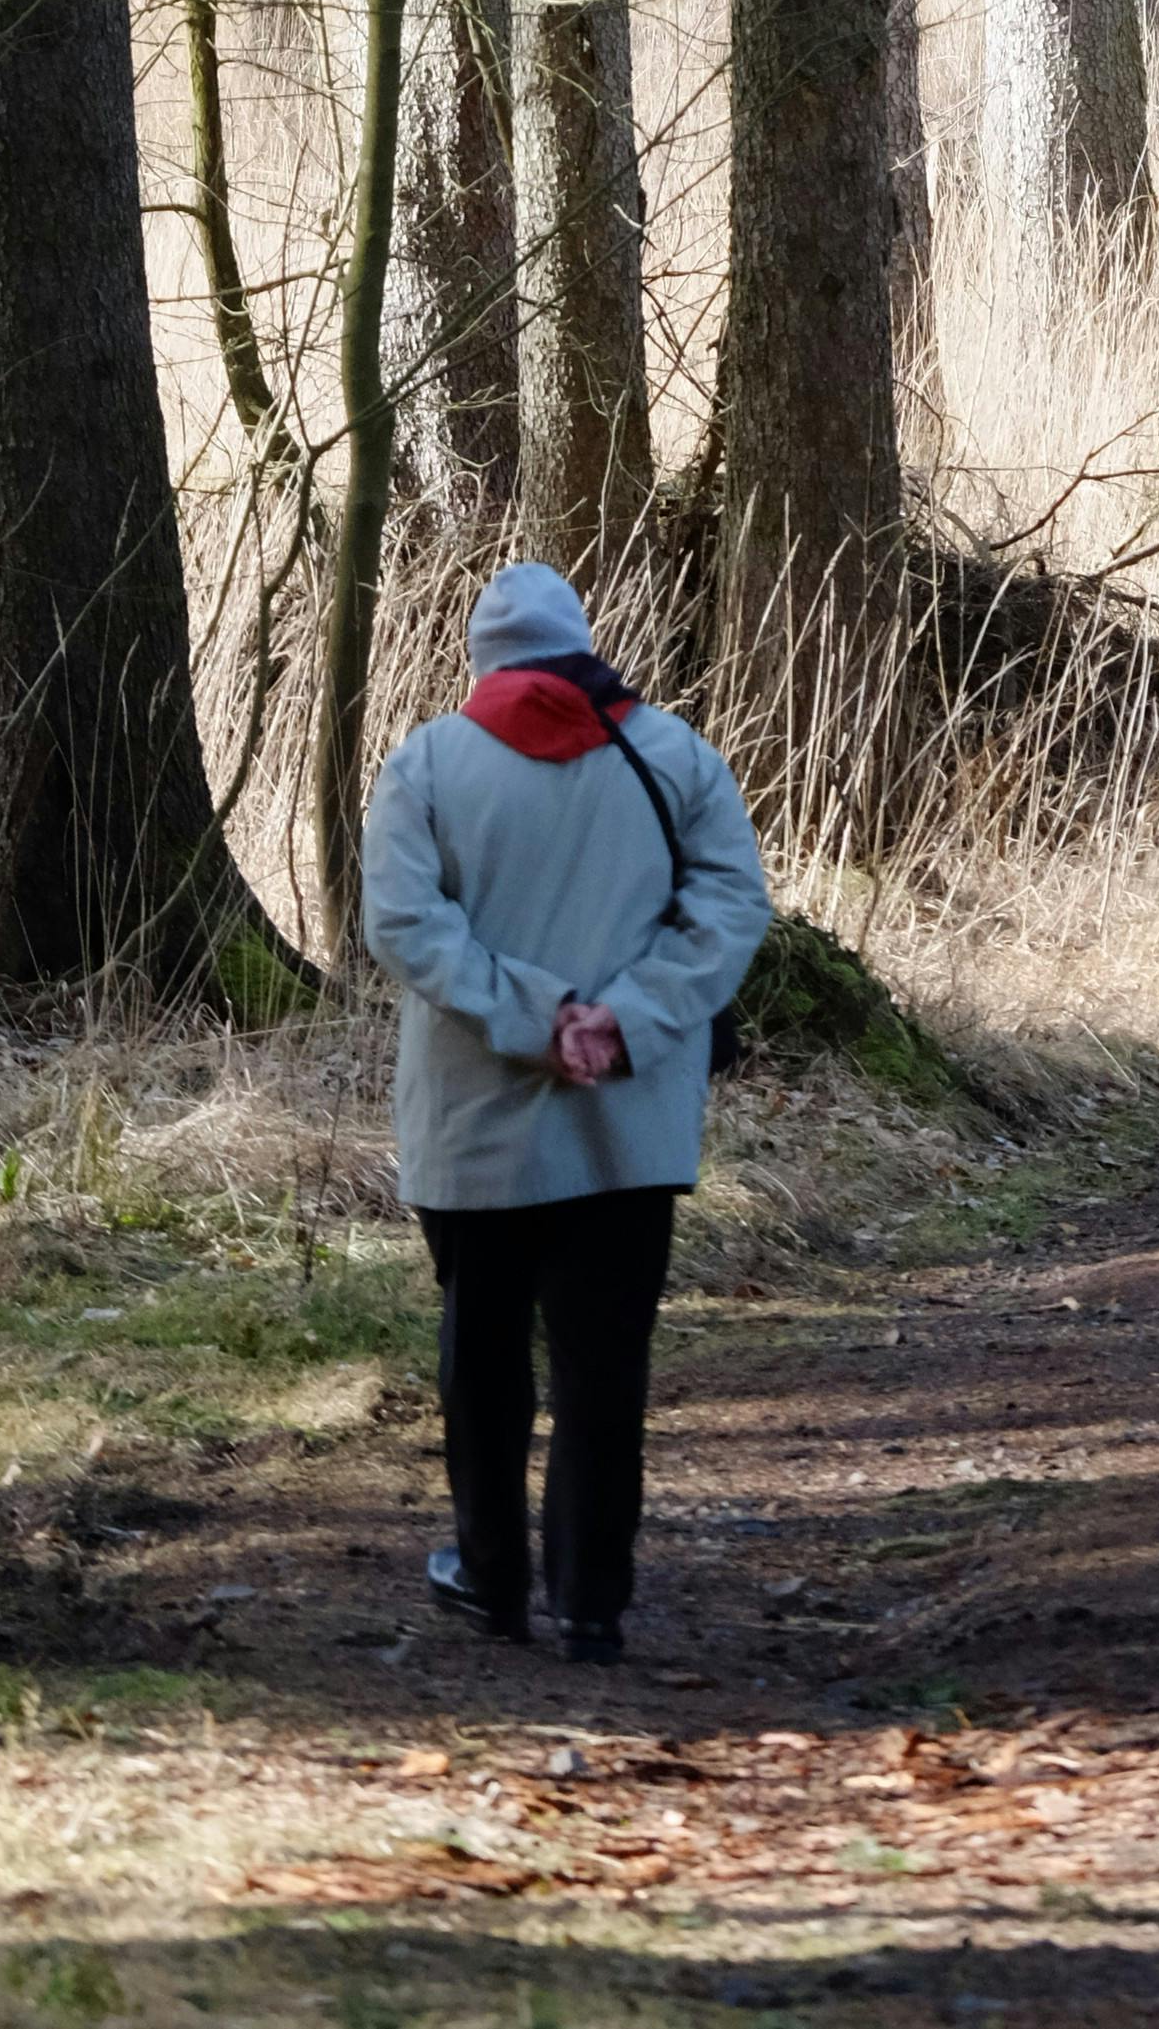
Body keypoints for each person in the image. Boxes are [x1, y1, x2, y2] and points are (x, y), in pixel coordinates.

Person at [362, 558, 770, 1659]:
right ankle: (592, 1597)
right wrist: (622, 1017)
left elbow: (403, 923)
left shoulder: (427, 763)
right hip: (626, 1125)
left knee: (482, 1357)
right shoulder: (672, 753)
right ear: (583, 644)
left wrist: (531, 1015)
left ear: (481, 660)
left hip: (473, 1127)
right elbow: (732, 904)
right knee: (603, 1365)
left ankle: (490, 1579)